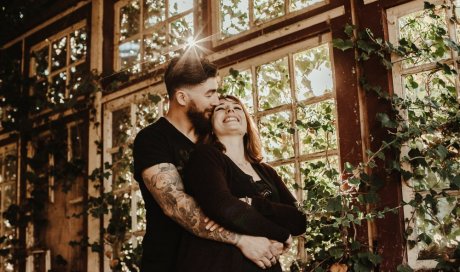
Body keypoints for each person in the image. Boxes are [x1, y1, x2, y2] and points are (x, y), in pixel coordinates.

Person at [133, 54, 283, 271]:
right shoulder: (153, 139)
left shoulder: (214, 135)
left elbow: (248, 191)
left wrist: (275, 234)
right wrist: (241, 239)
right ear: (182, 98)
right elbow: (176, 205)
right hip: (169, 263)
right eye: (210, 93)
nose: (216, 101)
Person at [176, 95, 307, 272]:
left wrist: (250, 203)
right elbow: (223, 207)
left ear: (247, 126)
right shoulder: (205, 157)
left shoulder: (266, 171)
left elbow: (298, 220)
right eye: (221, 108)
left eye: (237, 108)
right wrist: (282, 234)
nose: (230, 110)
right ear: (211, 127)